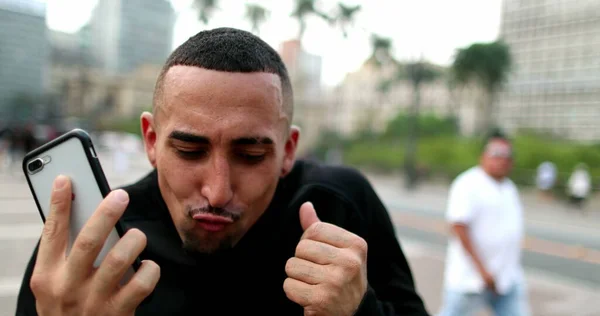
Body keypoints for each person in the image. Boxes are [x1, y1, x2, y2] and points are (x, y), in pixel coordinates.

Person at [16, 28, 429, 316]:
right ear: (152, 140)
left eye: (250, 154)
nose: (217, 191)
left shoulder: (339, 206)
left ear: (288, 150)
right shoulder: (89, 247)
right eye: (190, 150)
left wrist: (360, 310)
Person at [438, 130, 530, 316]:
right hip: (470, 280)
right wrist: (483, 271)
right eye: (496, 154)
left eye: (507, 155)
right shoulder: (468, 183)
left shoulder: (509, 188)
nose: (502, 159)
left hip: (507, 278)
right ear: (484, 156)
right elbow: (459, 227)